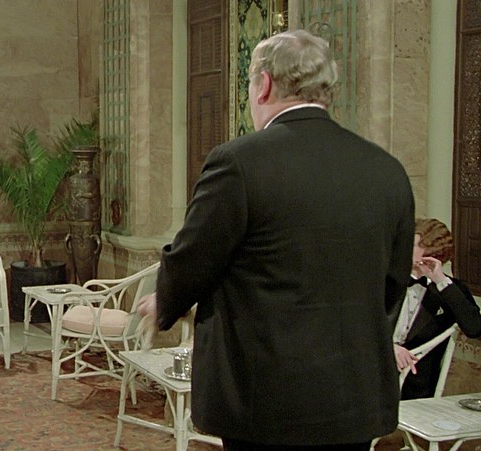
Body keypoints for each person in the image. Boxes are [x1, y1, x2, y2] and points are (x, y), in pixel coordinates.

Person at [136, 30, 415, 450]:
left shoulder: (238, 162)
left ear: (263, 84)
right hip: (354, 401)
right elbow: (392, 285)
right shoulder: (387, 170)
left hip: (265, 403)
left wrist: (167, 301)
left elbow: (194, 257)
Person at [394, 218, 481, 399]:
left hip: (416, 386)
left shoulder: (449, 290)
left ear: (431, 251)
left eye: (412, 244)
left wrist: (441, 281)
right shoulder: (385, 280)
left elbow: (475, 329)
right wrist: (389, 347)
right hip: (372, 373)